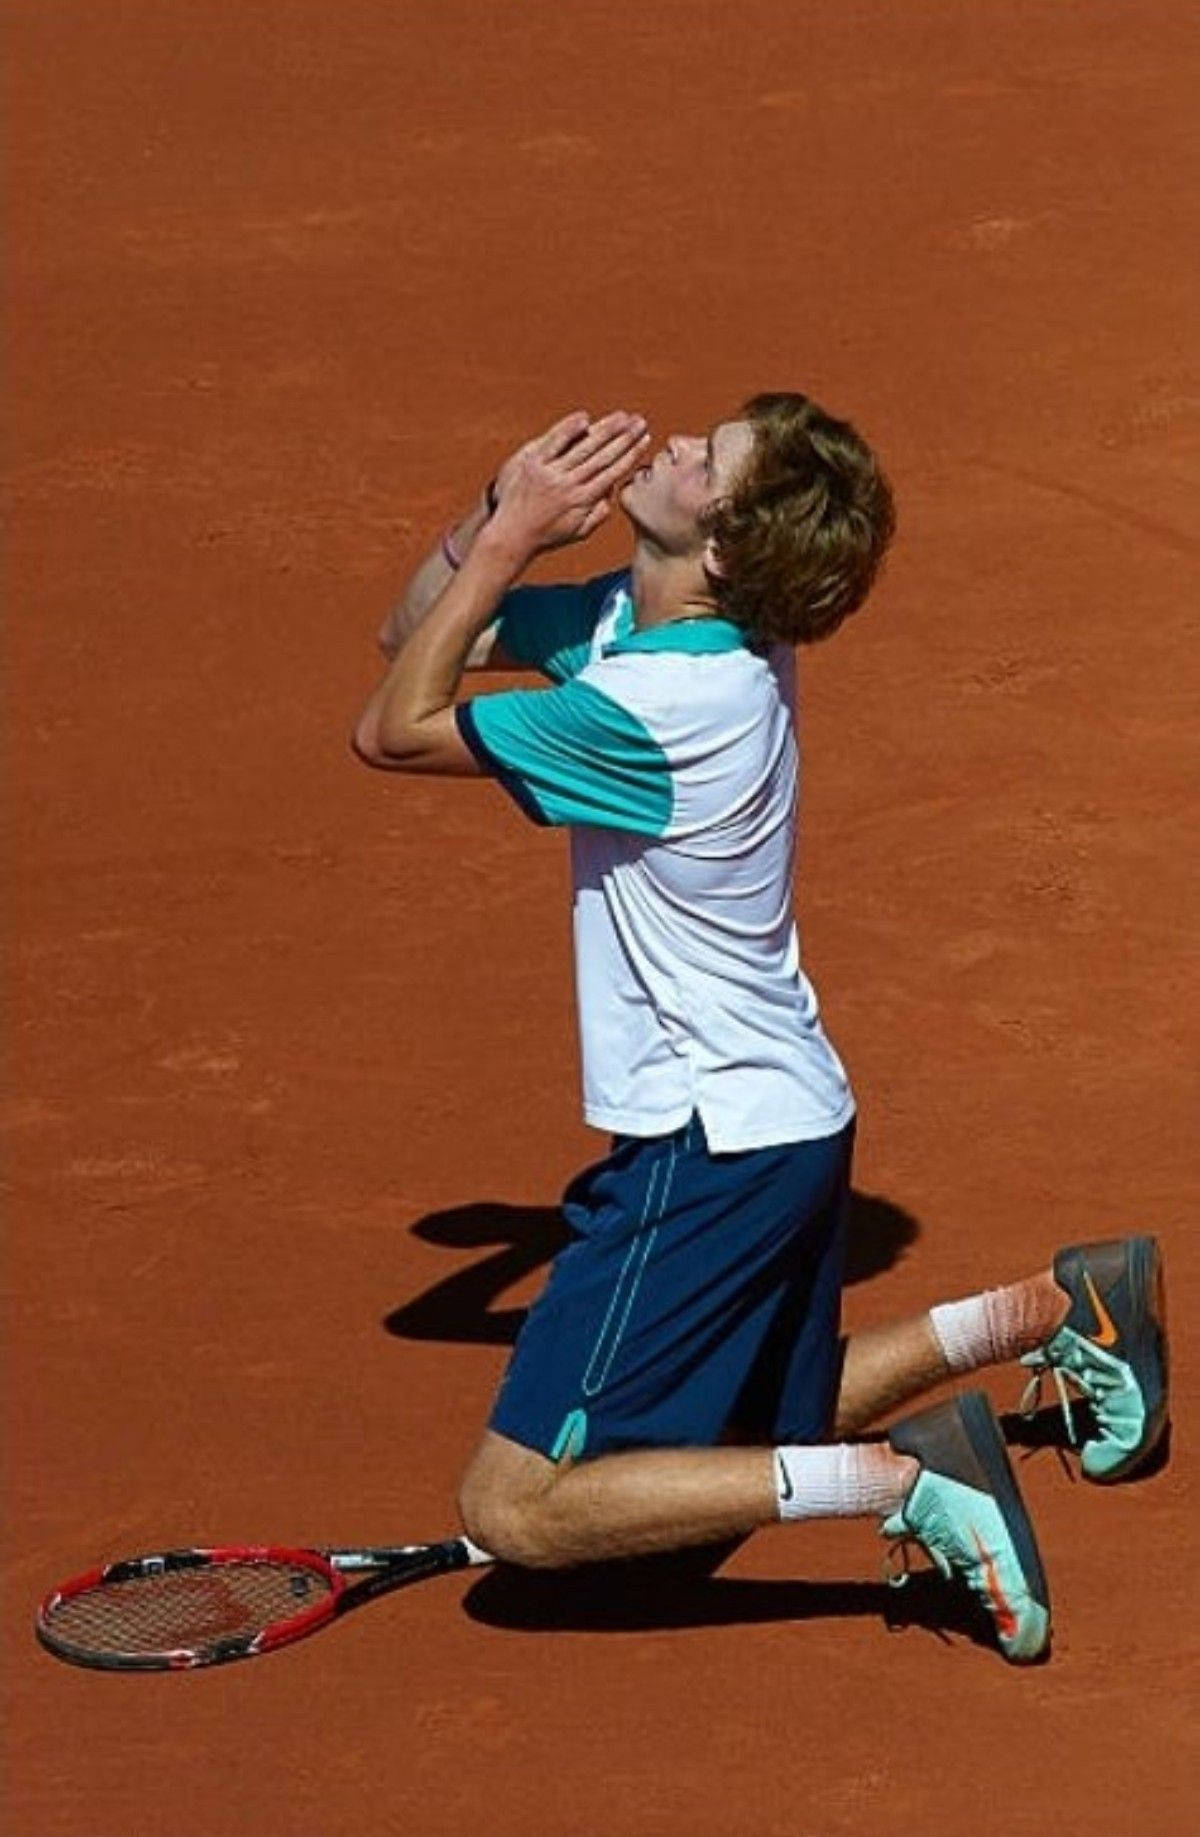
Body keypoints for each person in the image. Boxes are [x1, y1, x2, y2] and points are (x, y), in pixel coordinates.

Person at [353, 395, 1169, 1663]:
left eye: (704, 459)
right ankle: (1051, 1313)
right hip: (785, 1121)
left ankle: (903, 1488)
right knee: (737, 1434)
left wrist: (519, 537)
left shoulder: (644, 711)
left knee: (515, 1510)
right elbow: (419, 630)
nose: (674, 444)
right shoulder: (672, 636)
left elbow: (393, 727)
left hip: (707, 1145)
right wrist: (491, 515)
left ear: (722, 548)